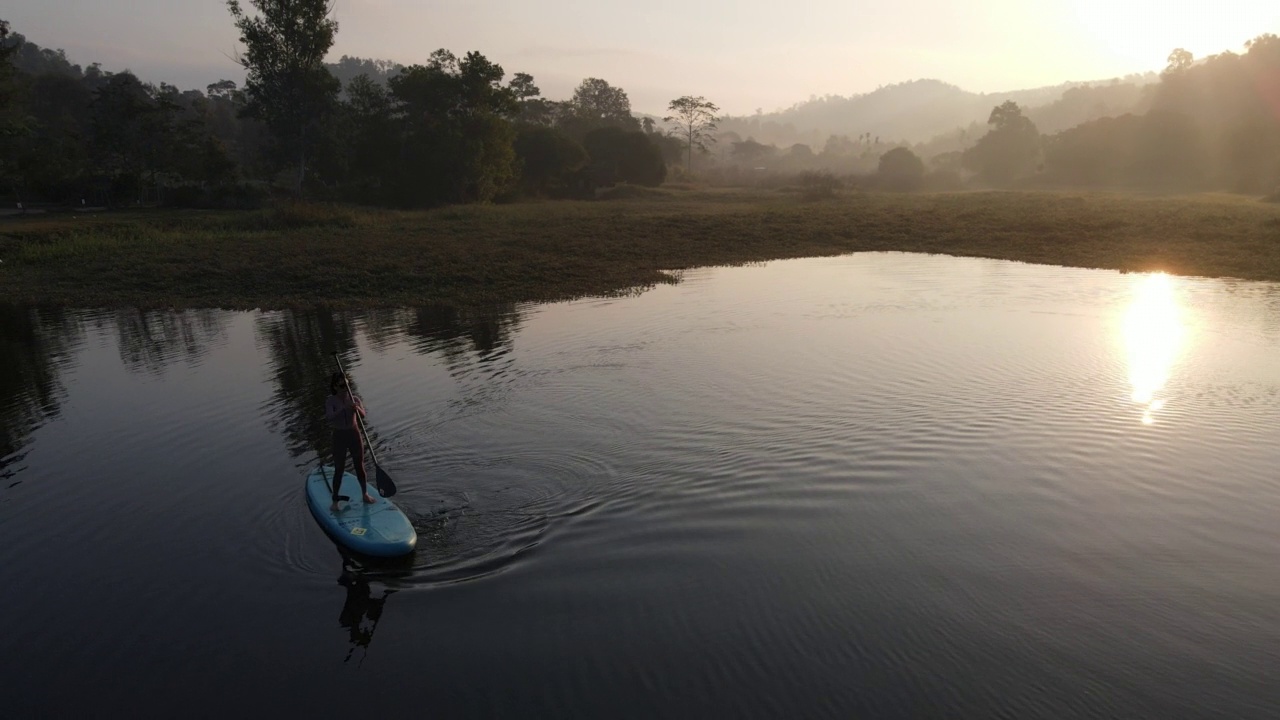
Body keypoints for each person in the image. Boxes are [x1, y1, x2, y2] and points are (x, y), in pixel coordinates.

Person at [326, 372, 375, 511]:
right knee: (339, 468)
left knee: (360, 465)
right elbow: (329, 417)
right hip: (339, 435)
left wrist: (356, 408)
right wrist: (342, 408)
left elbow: (363, 415)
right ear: (335, 386)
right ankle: (335, 500)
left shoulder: (354, 399)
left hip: (354, 433)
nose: (345, 388)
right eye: (342, 386)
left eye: (347, 385)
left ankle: (364, 494)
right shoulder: (331, 401)